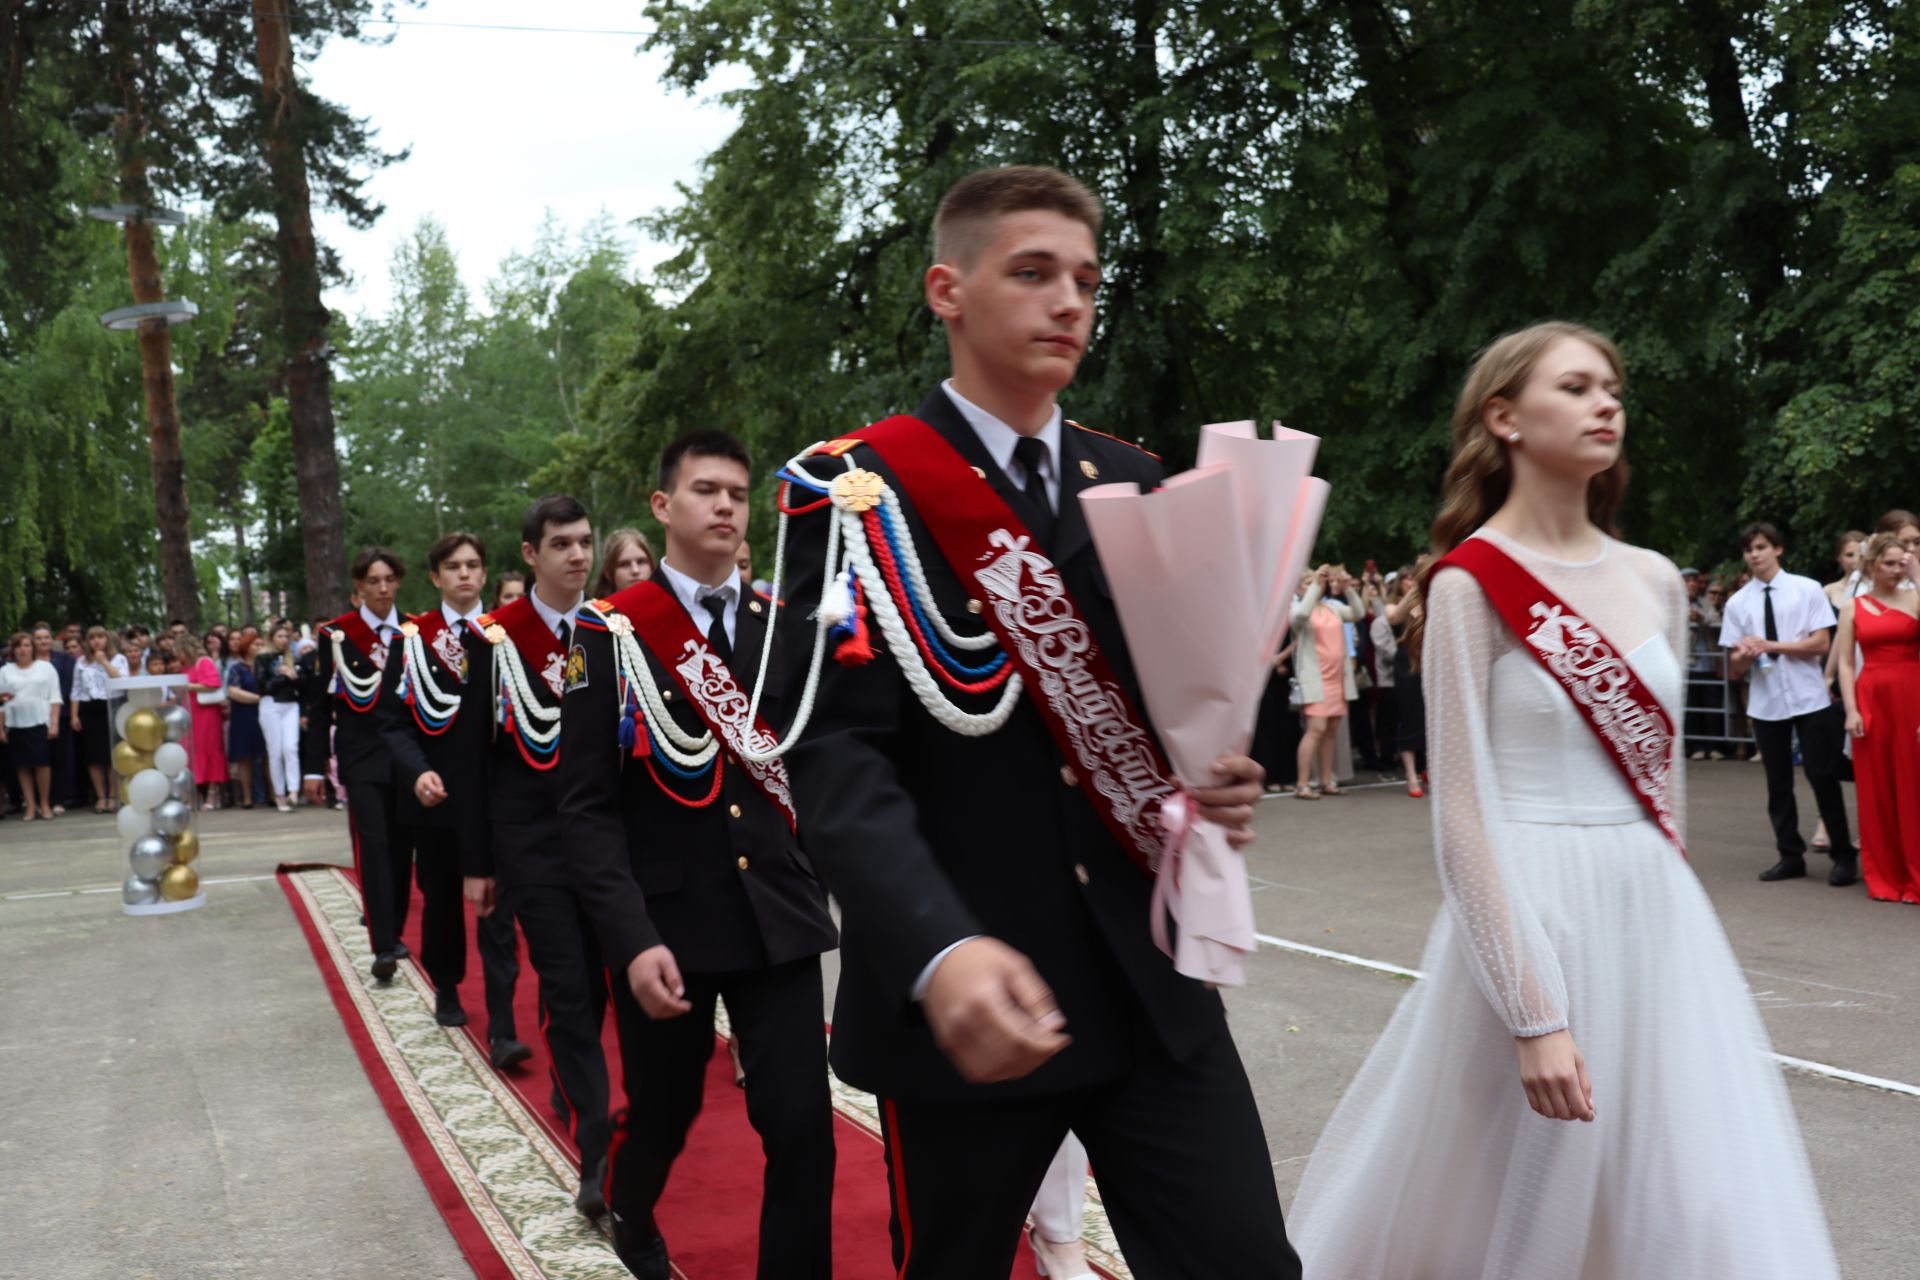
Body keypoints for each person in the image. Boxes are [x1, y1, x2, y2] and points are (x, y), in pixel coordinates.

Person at [777, 165, 1295, 1279]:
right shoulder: (853, 491)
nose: (1069, 301)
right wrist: (937, 945)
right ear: (946, 290)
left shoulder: (1139, 483)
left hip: (1147, 982)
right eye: (1033, 272)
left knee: (1249, 1262)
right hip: (972, 989)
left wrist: (1214, 780)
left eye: (1087, 280)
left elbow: (1168, 719)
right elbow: (833, 756)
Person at [1290, 321, 1839, 1280]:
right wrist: (1534, 1010)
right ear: (1504, 417)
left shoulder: (1657, 578)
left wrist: (1673, 931)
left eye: (1613, 389)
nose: (1606, 403)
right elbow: (1459, 813)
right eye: (1578, 387)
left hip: (1650, 917)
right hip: (1531, 915)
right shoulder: (1470, 585)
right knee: (1506, 1203)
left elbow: (1661, 793)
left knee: (1670, 1195)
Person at [560, 431, 839, 1278]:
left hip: (775, 922)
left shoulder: (782, 627)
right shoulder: (606, 637)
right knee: (665, 1117)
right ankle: (631, 1206)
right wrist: (629, 938)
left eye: (737, 494)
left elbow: (815, 764)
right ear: (662, 506)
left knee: (803, 1132)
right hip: (667, 927)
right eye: (706, 490)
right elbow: (586, 810)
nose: (724, 506)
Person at [467, 496, 614, 1219]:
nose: (578, 556)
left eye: (585, 542)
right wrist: (478, 863)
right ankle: (596, 1149)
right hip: (536, 847)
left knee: (602, 983)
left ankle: (575, 1083)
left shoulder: (614, 628)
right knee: (569, 991)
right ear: (530, 555)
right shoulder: (495, 639)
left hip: (612, 848)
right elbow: (473, 759)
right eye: (561, 544)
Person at [376, 531, 528, 1061]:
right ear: (435, 577)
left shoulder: (507, 634)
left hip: (495, 795)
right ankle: (446, 982)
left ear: (485, 575)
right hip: (436, 795)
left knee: (499, 909)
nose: (465, 574)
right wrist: (416, 772)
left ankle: (504, 1024)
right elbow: (391, 721)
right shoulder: (412, 639)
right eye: (453, 567)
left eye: (473, 565)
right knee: (442, 899)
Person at [1720, 523, 1858, 885]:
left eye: (1761, 547)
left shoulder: (1806, 589)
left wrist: (1772, 645)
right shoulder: (1738, 602)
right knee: (1777, 782)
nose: (1755, 555)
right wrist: (1747, 655)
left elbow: (1821, 644)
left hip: (1808, 696)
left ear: (1777, 549)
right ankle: (1789, 855)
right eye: (1749, 549)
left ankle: (1843, 855)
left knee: (1822, 775)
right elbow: (1735, 665)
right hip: (1766, 702)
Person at [303, 548, 415, 981]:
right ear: (358, 589)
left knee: (404, 850)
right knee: (374, 845)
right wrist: (315, 769)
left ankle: (395, 928)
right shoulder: (336, 635)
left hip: (406, 759)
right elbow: (318, 705)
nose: (383, 588)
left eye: (389, 579)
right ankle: (383, 944)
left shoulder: (414, 631)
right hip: (362, 756)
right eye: (373, 581)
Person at [1836, 531, 1920, 904]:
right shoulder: (1853, 607)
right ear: (1871, 565)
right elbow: (1844, 660)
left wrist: (1916, 573)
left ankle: (1915, 876)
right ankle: (1886, 877)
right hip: (1871, 698)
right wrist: (1852, 709)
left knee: (1913, 786)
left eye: (1901, 562)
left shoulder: (1916, 598)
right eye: (1889, 563)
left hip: (1912, 696)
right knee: (1878, 791)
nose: (1896, 569)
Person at [1291, 564, 1363, 798]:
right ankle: (1302, 784)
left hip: (1337, 679)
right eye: (1307, 583)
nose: (1317, 587)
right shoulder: (1296, 608)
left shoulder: (1333, 607)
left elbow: (1358, 613)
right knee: (1316, 729)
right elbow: (1301, 615)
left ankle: (1325, 781)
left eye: (1317, 583)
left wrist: (1347, 588)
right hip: (1316, 680)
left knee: (1331, 730)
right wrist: (1315, 585)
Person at [0, 631, 63, 819]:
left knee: (42, 763)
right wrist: (1, 728)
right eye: (19, 646)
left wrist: (54, 723)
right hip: (16, 723)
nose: (23, 649)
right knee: (22, 765)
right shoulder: (5, 671)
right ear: (13, 650)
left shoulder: (46, 668)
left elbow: (55, 697)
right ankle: (30, 805)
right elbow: (1, 702)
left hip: (39, 721)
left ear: (33, 648)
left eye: (27, 645)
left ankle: (44, 804)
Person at [1382, 567, 1429, 797]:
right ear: (1400, 582)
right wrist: (1413, 593)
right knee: (1409, 717)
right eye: (1408, 578)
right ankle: (1411, 775)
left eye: (1415, 578)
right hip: (1406, 665)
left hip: (1427, 662)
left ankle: (1427, 767)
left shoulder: (1428, 600)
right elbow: (1393, 617)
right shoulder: (1392, 604)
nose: (1411, 582)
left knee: (1429, 717)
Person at [69, 626, 122, 812]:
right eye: (92, 638)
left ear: (107, 639)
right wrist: (75, 715)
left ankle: (114, 795)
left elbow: (119, 678)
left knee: (111, 755)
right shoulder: (81, 662)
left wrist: (104, 661)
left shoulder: (118, 658)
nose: (96, 641)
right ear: (87, 642)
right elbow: (76, 689)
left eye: (100, 637)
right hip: (89, 709)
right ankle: (100, 796)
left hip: (111, 705)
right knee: (94, 756)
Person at [256, 622, 303, 812]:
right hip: (271, 705)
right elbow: (263, 686)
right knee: (275, 751)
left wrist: (294, 676)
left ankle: (293, 791)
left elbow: (302, 685)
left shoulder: (293, 658)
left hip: (291, 705)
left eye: (286, 637)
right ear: (272, 638)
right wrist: (285, 677)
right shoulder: (263, 658)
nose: (283, 640)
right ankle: (279, 794)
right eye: (279, 636)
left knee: (290, 747)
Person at [181, 634, 229, 811]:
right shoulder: (186, 666)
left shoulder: (204, 661)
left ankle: (212, 793)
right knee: (191, 751)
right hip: (191, 712)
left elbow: (215, 684)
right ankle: (193, 795)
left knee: (209, 749)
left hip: (206, 713)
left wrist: (189, 686)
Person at [33, 624, 76, 813]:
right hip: (34, 716)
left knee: (59, 758)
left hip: (61, 714)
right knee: (39, 759)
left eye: (46, 637)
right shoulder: (28, 661)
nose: (43, 641)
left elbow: (67, 685)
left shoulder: (64, 660)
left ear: (52, 640)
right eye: (39, 638)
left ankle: (58, 799)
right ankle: (40, 800)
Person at [225, 630, 264, 810]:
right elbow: (233, 691)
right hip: (244, 715)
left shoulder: (266, 664)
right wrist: (258, 698)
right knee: (245, 756)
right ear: (247, 647)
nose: (260, 648)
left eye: (262, 644)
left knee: (267, 754)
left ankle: (271, 795)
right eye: (256, 644)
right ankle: (247, 797)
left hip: (265, 713)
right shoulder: (236, 668)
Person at [590, 527, 655, 598]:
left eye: (641, 562)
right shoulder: (595, 609)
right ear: (608, 572)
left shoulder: (667, 605)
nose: (635, 570)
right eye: (624, 565)